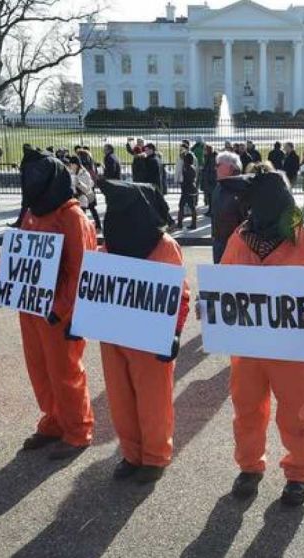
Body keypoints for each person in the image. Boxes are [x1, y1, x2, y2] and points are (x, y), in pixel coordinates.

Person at [211, 168, 304, 507]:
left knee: (296, 413)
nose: (245, 206)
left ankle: (298, 474)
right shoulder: (240, 239)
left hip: (291, 349)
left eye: (251, 200)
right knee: (247, 409)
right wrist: (210, 307)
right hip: (248, 348)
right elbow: (224, 285)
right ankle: (249, 468)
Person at [100, 181, 191, 484]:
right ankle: (131, 453)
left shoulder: (164, 246)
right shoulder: (108, 244)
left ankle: (154, 457)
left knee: (153, 400)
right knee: (120, 397)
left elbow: (180, 293)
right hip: (113, 333)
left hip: (152, 335)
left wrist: (176, 331)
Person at [18, 146, 97, 460]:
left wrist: (62, 309)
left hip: (58, 313)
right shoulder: (33, 212)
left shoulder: (72, 215)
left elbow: (81, 271)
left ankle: (78, 431)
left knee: (66, 373)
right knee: (40, 370)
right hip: (32, 307)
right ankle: (53, 421)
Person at [210, 151, 251, 263]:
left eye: (218, 165)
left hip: (236, 245)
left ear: (231, 167)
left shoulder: (242, 188)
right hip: (219, 243)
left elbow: (247, 220)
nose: (215, 168)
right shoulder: (219, 186)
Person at [68, 155, 100, 232]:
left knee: (82, 217)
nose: (70, 166)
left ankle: (95, 227)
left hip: (83, 199)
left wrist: (78, 183)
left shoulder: (85, 173)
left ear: (76, 164)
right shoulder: (71, 172)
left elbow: (87, 188)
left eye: (71, 164)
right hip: (74, 199)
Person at [177, 152, 199, 230]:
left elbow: (187, 179)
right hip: (191, 189)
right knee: (191, 207)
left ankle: (180, 223)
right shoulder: (191, 167)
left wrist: (182, 183)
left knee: (182, 206)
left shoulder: (187, 168)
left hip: (187, 189)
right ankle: (193, 224)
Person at [201, 144, 218, 216]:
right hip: (208, 180)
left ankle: (212, 211)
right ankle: (210, 210)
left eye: (205, 150)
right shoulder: (207, 157)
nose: (204, 151)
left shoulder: (212, 158)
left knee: (212, 197)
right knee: (209, 197)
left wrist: (210, 178)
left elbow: (212, 170)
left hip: (211, 180)